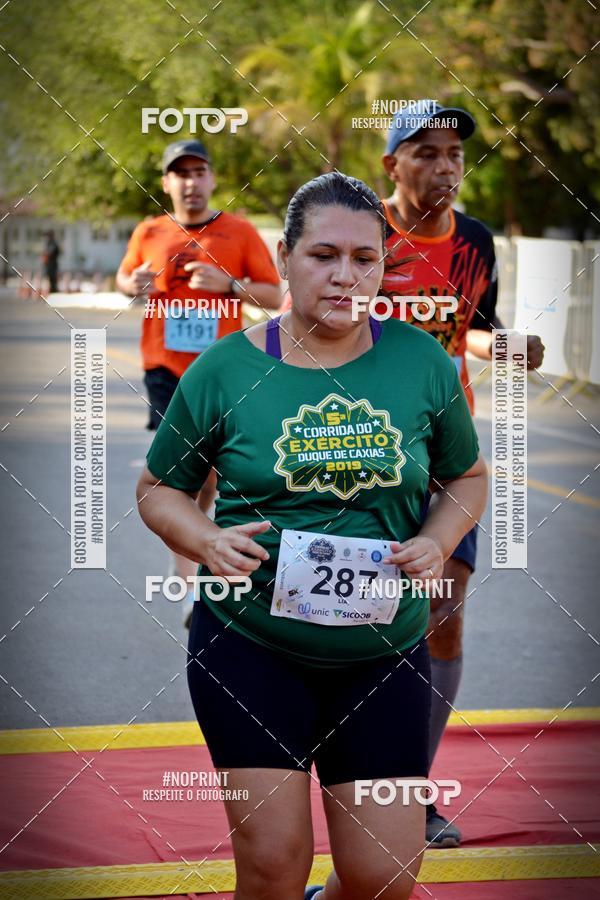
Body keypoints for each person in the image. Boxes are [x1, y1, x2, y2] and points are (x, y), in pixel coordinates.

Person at [137, 171, 488, 900]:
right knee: (271, 869)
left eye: (364, 259)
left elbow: (468, 477)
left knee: (383, 877)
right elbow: (159, 489)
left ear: (384, 266)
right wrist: (203, 540)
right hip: (250, 647)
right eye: (323, 255)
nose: (345, 276)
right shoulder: (225, 370)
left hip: (384, 653)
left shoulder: (421, 362)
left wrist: (439, 535)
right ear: (285, 256)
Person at [380, 99, 544, 847]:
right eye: (426, 153)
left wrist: (504, 348)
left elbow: (472, 331)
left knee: (442, 616)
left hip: (448, 454)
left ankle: (412, 788)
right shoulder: (363, 235)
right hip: (361, 452)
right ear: (392, 165)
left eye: (454, 154)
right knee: (365, 618)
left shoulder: (476, 242)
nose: (445, 168)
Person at [117, 139, 280, 626]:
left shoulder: (239, 231)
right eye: (180, 174)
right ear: (166, 183)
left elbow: (274, 294)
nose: (190, 182)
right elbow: (124, 280)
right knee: (179, 477)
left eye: (199, 172)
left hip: (225, 370)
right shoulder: (148, 231)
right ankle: (189, 586)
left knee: (209, 476)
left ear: (212, 179)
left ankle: (194, 545)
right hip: (166, 369)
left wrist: (229, 284)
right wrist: (135, 284)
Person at [42, 230, 60, 294]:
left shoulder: (53, 244)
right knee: (50, 281)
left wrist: (45, 254)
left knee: (53, 281)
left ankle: (53, 293)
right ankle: (52, 292)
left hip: (52, 266)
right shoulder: (48, 244)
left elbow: (49, 254)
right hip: (48, 265)